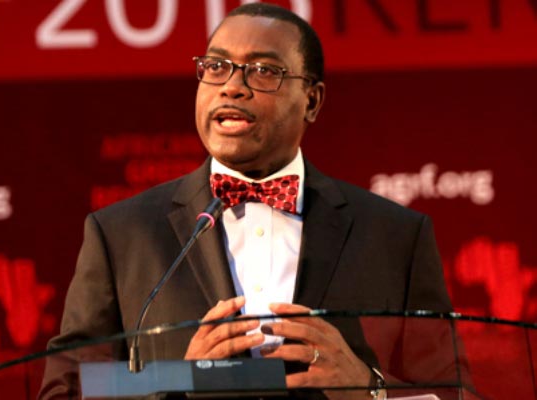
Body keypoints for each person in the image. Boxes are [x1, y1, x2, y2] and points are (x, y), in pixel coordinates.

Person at [39, 3, 452, 399]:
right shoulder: (120, 235)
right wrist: (179, 382)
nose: (232, 86)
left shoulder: (395, 236)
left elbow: (453, 391)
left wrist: (371, 389)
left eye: (263, 71)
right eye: (216, 67)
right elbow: (70, 390)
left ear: (312, 100)